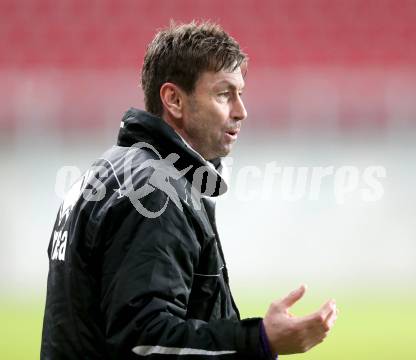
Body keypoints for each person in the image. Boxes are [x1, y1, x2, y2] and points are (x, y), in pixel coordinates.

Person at [41, 21, 338, 359]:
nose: (241, 111)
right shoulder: (153, 189)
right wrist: (259, 340)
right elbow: (143, 342)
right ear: (174, 100)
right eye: (224, 94)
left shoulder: (108, 171)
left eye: (241, 94)